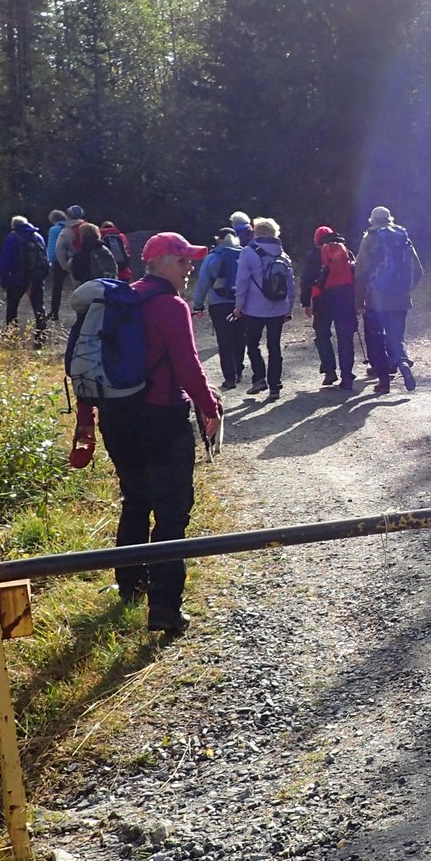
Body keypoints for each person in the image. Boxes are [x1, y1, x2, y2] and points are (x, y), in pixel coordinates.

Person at [96, 231, 222, 635]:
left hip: (117, 419)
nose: (190, 269)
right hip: (162, 421)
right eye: (183, 261)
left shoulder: (119, 299)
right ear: (161, 262)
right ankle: (165, 609)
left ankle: (130, 586)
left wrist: (86, 419)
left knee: (135, 500)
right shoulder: (170, 305)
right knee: (171, 514)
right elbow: (188, 366)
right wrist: (210, 408)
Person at [353, 206, 423, 395]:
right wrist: (406, 288)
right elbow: (418, 269)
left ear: (372, 221)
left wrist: (358, 301)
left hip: (377, 298)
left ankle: (384, 382)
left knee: (375, 338)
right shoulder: (402, 237)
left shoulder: (370, 238)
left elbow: (361, 272)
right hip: (401, 298)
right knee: (396, 336)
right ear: (390, 219)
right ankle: (402, 361)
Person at [232, 217, 294, 401]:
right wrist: (289, 308)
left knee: (252, 344)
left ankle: (259, 378)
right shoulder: (283, 254)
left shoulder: (248, 252)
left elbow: (242, 281)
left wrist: (238, 305)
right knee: (274, 347)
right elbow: (290, 285)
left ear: (256, 232)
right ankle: (275, 386)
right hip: (278, 309)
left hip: (254, 309)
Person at [190, 227, 259, 389]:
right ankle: (239, 370)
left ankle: (230, 377)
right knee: (239, 337)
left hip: (219, 304)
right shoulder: (245, 255)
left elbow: (203, 283)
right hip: (242, 303)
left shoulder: (212, 257)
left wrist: (198, 305)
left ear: (218, 239)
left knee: (224, 340)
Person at [299, 225, 357, 389]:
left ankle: (329, 370)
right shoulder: (346, 251)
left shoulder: (314, 255)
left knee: (322, 336)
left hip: (322, 301)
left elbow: (306, 280)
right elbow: (355, 275)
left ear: (317, 239)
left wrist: (305, 302)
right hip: (345, 300)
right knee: (345, 339)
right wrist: (358, 300)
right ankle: (347, 377)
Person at [0, 215, 49, 329]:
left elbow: (5, 260)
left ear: (13, 226)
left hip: (17, 277)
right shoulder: (38, 236)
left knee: (12, 306)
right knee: (38, 307)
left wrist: (4, 280)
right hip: (36, 276)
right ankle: (41, 335)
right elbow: (45, 257)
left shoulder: (12, 237)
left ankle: (11, 334)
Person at [45, 209, 72, 323]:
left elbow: (52, 246)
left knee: (57, 287)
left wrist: (49, 260)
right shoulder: (71, 228)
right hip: (74, 258)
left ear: (53, 219)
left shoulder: (54, 229)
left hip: (59, 260)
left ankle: (54, 312)